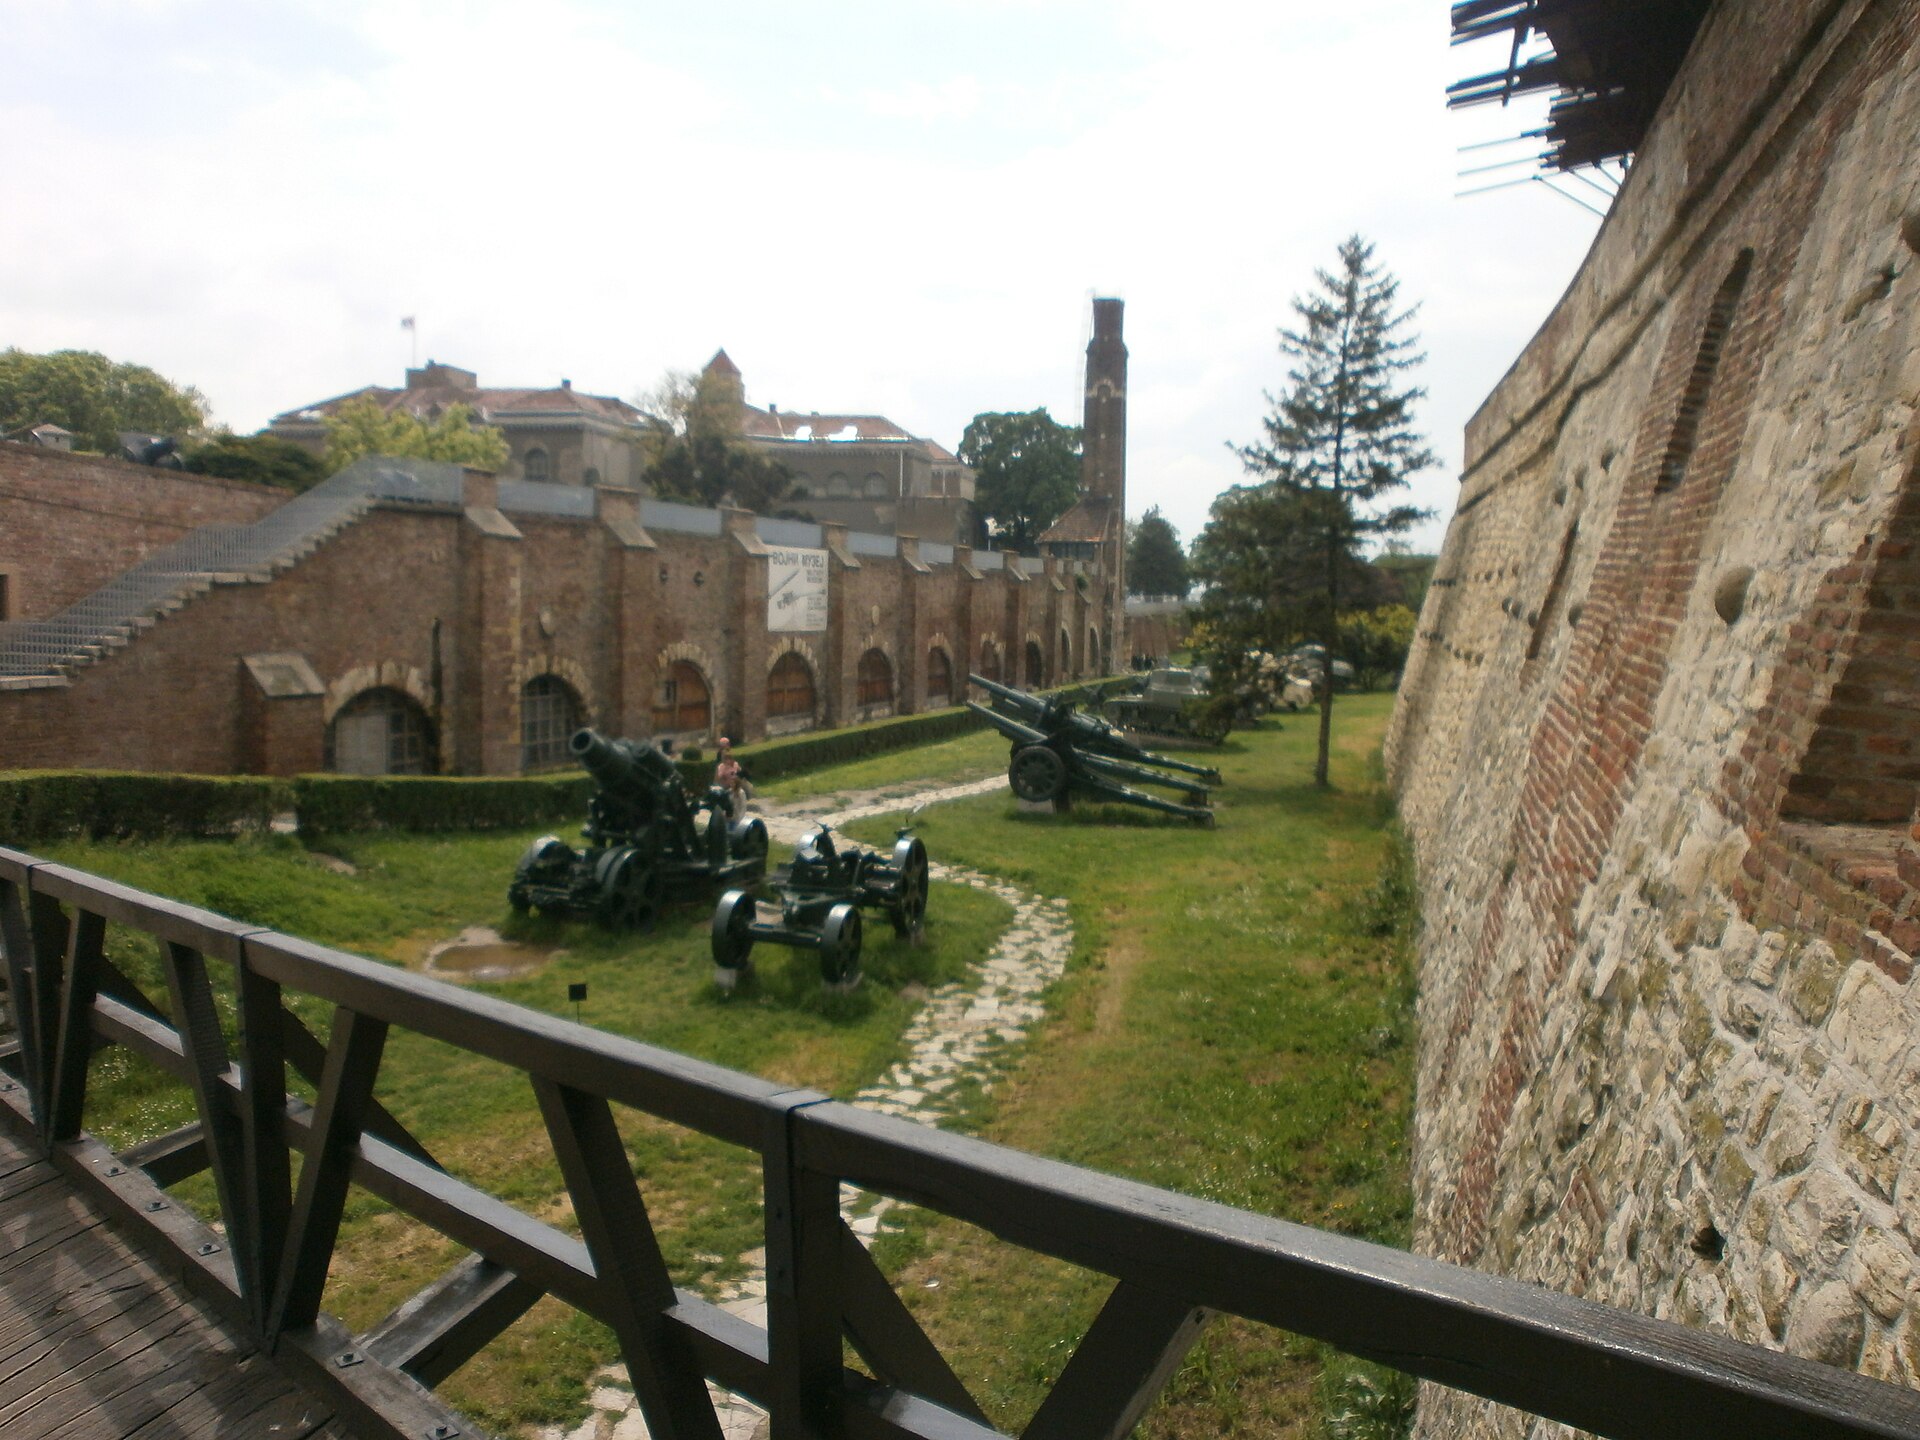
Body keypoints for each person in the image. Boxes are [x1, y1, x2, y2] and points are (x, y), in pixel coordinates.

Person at [713, 737, 753, 818]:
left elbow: (740, 772)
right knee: (735, 794)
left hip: (736, 783)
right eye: (726, 758)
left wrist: (742, 775)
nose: (729, 760)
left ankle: (746, 801)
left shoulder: (735, 764)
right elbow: (719, 779)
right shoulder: (722, 766)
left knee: (747, 786)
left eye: (730, 758)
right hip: (728, 785)